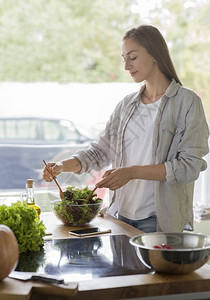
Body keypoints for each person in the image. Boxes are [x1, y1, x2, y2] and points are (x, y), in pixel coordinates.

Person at [43, 24, 209, 233]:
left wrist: (132, 173)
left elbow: (190, 166)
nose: (126, 66)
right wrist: (61, 166)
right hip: (119, 218)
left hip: (158, 222)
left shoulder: (187, 102)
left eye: (133, 57)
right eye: (124, 58)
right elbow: (100, 152)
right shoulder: (127, 105)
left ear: (155, 54)